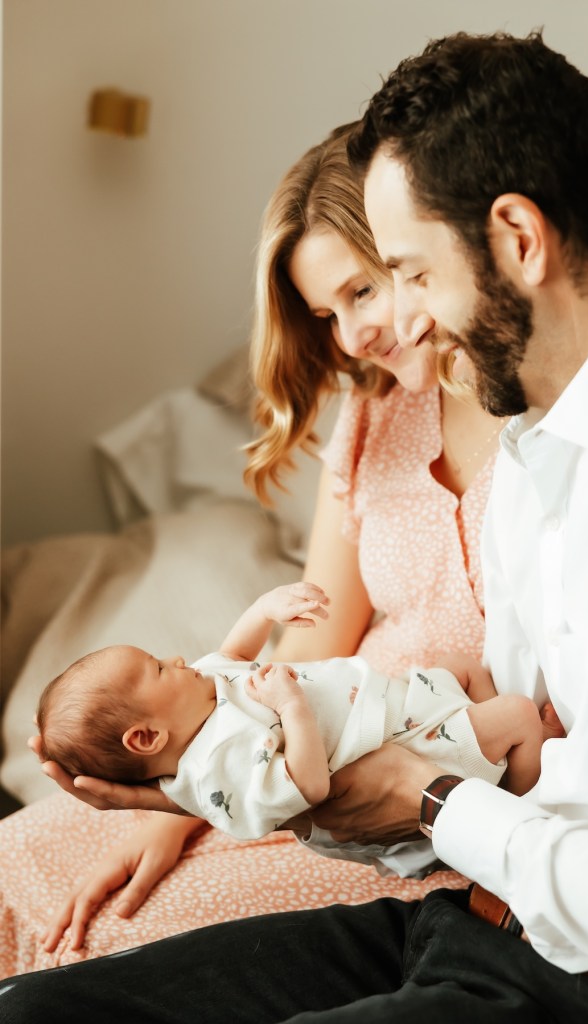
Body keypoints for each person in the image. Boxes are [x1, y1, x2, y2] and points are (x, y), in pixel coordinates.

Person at [3, 28, 588, 1024]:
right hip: (471, 901)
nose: (395, 325)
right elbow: (506, 747)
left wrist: (424, 798)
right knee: (35, 1009)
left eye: (405, 273)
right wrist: (217, 788)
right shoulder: (543, 458)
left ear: (516, 240)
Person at [0, 121, 502, 973]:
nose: (351, 339)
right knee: (21, 863)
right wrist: (186, 797)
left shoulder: (548, 421)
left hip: (416, 780)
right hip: (284, 738)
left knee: (95, 943)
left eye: (362, 292)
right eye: (324, 314)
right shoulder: (373, 415)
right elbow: (316, 629)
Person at [37, 582, 554, 874]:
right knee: (518, 715)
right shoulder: (219, 763)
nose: (176, 658)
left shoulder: (201, 692)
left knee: (459, 664)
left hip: (394, 708)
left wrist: (264, 610)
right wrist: (291, 706)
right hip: (402, 751)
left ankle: (497, 767)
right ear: (147, 737)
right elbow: (310, 783)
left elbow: (235, 653)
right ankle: (528, 794)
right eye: (157, 668)